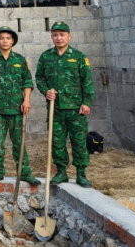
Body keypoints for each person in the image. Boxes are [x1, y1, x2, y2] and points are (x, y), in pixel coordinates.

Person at [35, 21, 94, 188]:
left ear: (69, 36)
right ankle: (61, 172)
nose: (58, 38)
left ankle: (81, 173)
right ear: (51, 37)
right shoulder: (46, 57)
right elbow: (39, 78)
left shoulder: (79, 57)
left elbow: (87, 81)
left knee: (79, 141)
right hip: (56, 109)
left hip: (76, 109)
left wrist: (87, 102)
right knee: (57, 141)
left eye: (62, 35)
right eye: (55, 35)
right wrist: (46, 91)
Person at [0, 26, 40, 186]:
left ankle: (24, 172)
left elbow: (27, 82)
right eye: (1, 38)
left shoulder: (20, 60)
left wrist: (26, 100)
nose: (4, 41)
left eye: (8, 38)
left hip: (17, 108)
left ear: (13, 40)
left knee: (19, 143)